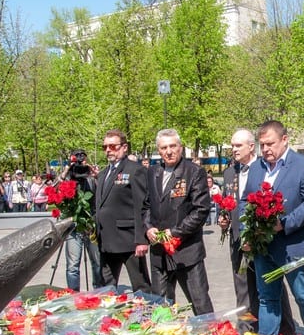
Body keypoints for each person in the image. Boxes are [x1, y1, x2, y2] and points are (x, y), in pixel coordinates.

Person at [241, 120, 304, 335]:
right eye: (262, 145)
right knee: (267, 298)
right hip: (263, 248)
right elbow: (245, 201)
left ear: (285, 140)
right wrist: (245, 233)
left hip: (294, 246)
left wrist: (283, 224)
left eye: (270, 143)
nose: (266, 149)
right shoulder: (257, 167)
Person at [220, 129, 296, 335]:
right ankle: (246, 330)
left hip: (262, 240)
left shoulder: (264, 169)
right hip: (239, 241)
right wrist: (224, 217)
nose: (233, 150)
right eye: (232, 146)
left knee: (271, 288)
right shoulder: (229, 172)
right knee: (243, 289)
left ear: (251, 146)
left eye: (238, 146)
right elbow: (230, 202)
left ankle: (286, 330)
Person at [142, 129, 214, 314]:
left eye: (173, 146)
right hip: (159, 253)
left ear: (181, 147)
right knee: (160, 306)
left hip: (186, 251)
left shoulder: (194, 172)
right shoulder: (153, 172)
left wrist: (174, 232)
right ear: (158, 150)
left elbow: (201, 210)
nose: (169, 151)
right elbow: (146, 205)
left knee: (200, 304)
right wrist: (148, 227)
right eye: (164, 147)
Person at [95, 129, 151, 292]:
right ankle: (109, 317)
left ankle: (145, 316)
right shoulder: (103, 174)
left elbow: (142, 206)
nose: (107, 150)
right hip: (106, 239)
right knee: (106, 287)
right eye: (104, 147)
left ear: (124, 147)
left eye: (112, 146)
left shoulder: (135, 170)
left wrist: (141, 239)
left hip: (129, 239)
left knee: (141, 285)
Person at [59, 148, 103, 291]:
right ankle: (73, 293)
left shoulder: (91, 178)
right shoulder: (68, 177)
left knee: (97, 263)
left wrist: (96, 175)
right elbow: (54, 189)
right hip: (74, 226)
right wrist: (66, 171)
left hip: (91, 225)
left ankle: (98, 292)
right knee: (72, 265)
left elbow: (104, 190)